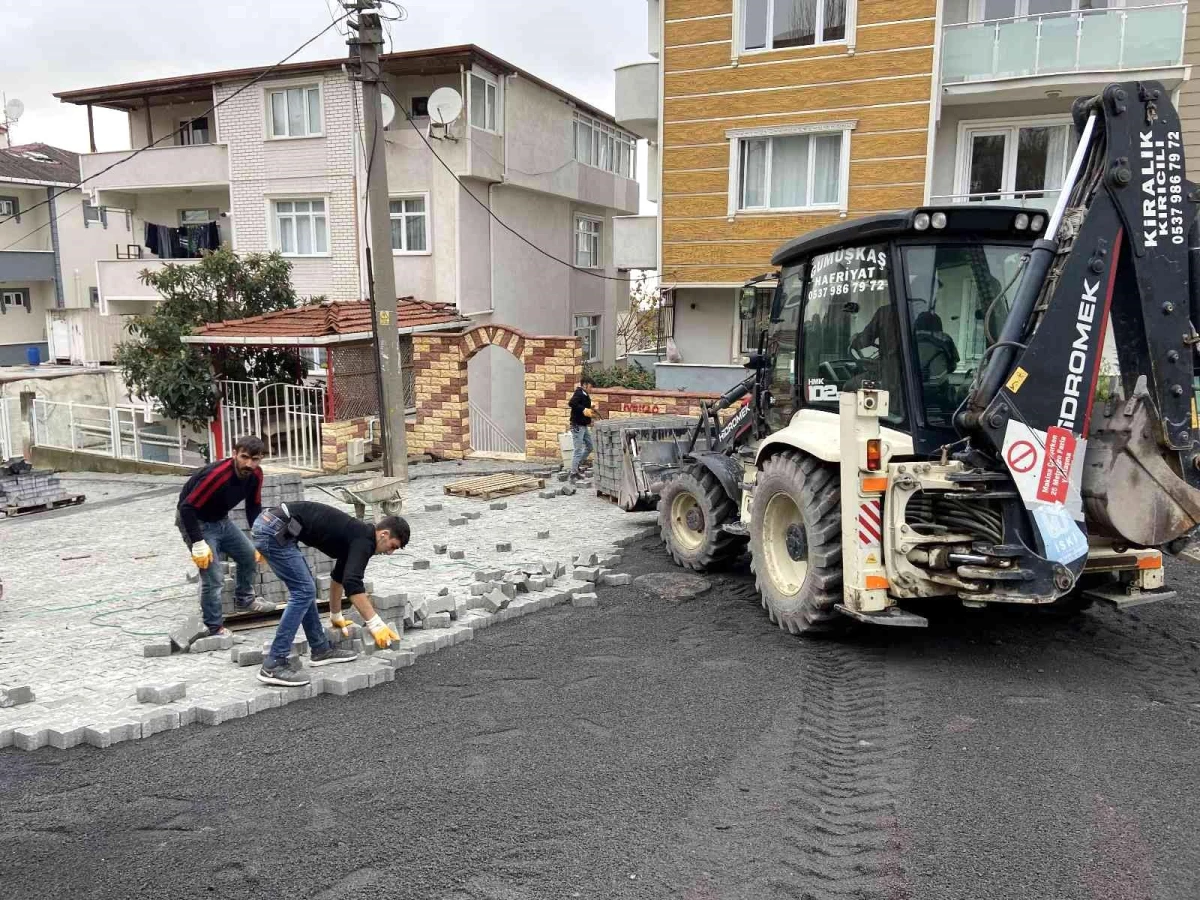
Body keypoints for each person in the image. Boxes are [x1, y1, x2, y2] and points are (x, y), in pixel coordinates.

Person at [251, 500, 410, 687]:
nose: (390, 553)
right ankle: (273, 664)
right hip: (274, 527)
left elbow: (339, 578)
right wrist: (375, 624)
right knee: (303, 591)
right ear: (383, 534)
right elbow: (353, 584)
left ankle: (320, 649)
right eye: (392, 546)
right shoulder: (364, 542)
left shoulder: (357, 537)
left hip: (275, 526)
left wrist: (336, 615)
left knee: (306, 587)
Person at [176, 435, 273, 637]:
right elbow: (186, 507)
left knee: (249, 556)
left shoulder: (256, 475)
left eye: (255, 459)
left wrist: (260, 538)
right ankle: (214, 626)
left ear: (261, 458)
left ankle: (245, 599)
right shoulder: (218, 475)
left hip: (221, 520)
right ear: (234, 454)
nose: (249, 464)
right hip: (195, 521)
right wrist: (198, 543)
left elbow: (253, 506)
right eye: (244, 457)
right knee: (213, 577)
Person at [568, 374, 597, 480]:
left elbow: (584, 408)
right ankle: (573, 472)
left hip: (583, 426)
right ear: (584, 385)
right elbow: (571, 403)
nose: (591, 388)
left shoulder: (585, 394)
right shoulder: (579, 393)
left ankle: (577, 465)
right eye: (590, 386)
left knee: (590, 446)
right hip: (577, 426)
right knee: (578, 450)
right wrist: (583, 409)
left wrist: (590, 409)